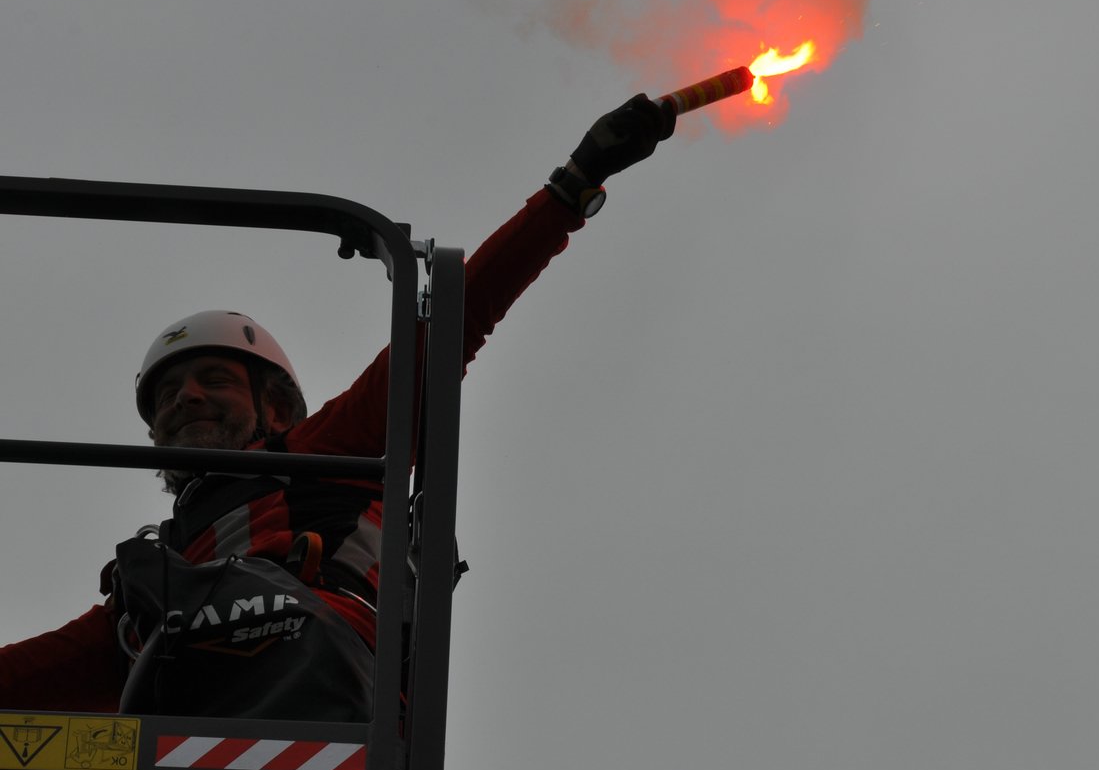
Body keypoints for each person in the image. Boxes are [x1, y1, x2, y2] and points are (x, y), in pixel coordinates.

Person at [0, 95, 674, 719]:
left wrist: (570, 187)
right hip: (197, 711)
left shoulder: (331, 449)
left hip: (321, 675)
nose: (189, 397)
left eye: (214, 378)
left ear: (276, 406)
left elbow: (449, 329)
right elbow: (38, 669)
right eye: (169, 395)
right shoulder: (157, 579)